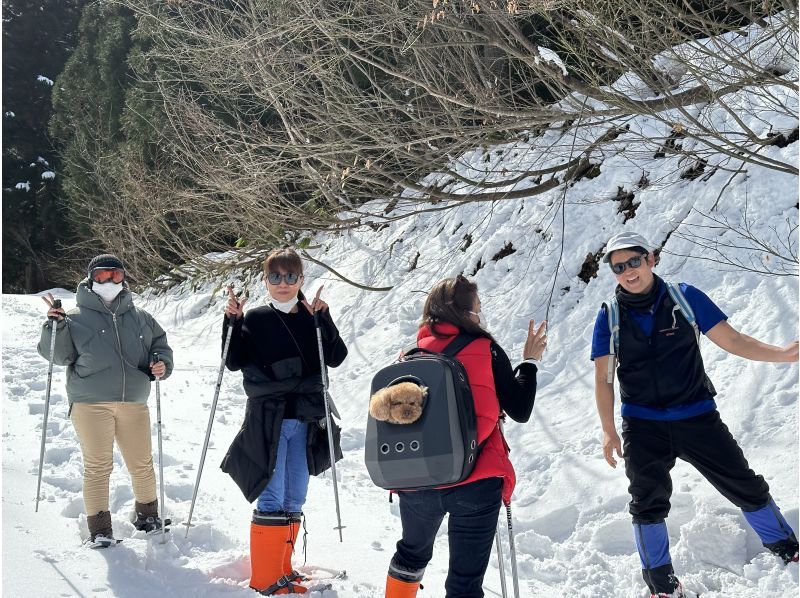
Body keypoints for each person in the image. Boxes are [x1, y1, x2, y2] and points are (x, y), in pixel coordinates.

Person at [591, 231, 799, 598]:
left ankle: (789, 552)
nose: (628, 272)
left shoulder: (684, 298)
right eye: (618, 267)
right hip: (643, 425)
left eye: (633, 262)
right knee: (647, 503)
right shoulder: (610, 315)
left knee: (745, 485)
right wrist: (609, 431)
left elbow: (733, 340)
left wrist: (782, 354)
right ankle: (662, 587)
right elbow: (604, 379)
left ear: (651, 259)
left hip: (697, 416)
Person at [383, 274, 546, 598]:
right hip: (476, 476)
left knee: (410, 556)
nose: (480, 315)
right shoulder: (486, 350)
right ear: (464, 313)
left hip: (419, 478)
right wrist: (529, 362)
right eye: (477, 309)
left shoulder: (411, 355)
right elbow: (520, 410)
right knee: (464, 582)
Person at [220, 247, 348, 596]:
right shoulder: (256, 319)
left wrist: (325, 318)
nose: (283, 283)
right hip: (269, 421)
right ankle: (265, 578)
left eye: (290, 276)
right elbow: (233, 362)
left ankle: (284, 571)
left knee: (295, 495)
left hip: (305, 421)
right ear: (265, 280)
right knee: (271, 494)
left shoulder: (311, 317)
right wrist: (231, 322)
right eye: (275, 276)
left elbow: (335, 357)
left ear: (301, 280)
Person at [37, 254, 173, 546]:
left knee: (141, 462)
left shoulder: (141, 318)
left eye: (116, 274)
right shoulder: (73, 318)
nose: (109, 280)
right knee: (98, 465)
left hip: (133, 401)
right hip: (90, 402)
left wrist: (161, 362)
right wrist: (55, 327)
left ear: (124, 278)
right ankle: (100, 529)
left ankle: (147, 515)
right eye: (102, 275)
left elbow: (160, 347)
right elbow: (59, 356)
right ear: (90, 279)